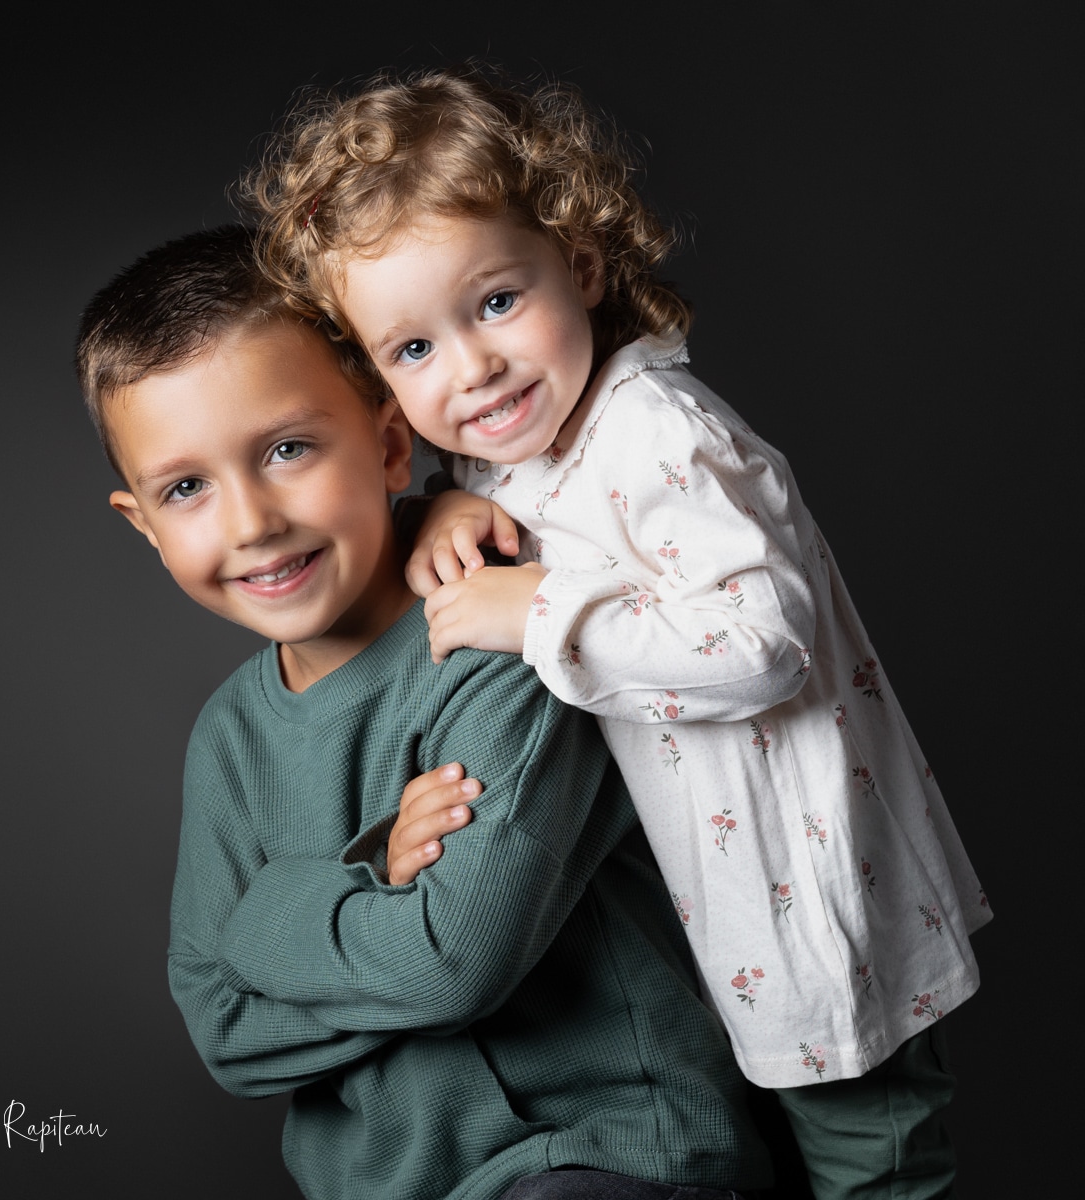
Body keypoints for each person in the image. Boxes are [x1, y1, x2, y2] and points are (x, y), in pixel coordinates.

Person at [249, 65, 992, 1199]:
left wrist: (537, 608)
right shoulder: (522, 444)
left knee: (871, 1169)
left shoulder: (660, 434)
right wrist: (453, 502)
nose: (474, 365)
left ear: (582, 266)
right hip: (717, 927)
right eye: (413, 351)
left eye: (497, 301)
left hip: (817, 905)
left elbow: (764, 643)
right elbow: (517, 494)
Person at [74, 224, 777, 1200]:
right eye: (187, 488)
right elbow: (225, 1036)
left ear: (391, 441)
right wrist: (367, 882)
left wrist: (269, 915)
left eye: (286, 449)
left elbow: (451, 963)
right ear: (143, 524)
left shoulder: (500, 633)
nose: (250, 522)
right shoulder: (229, 740)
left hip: (596, 1158)